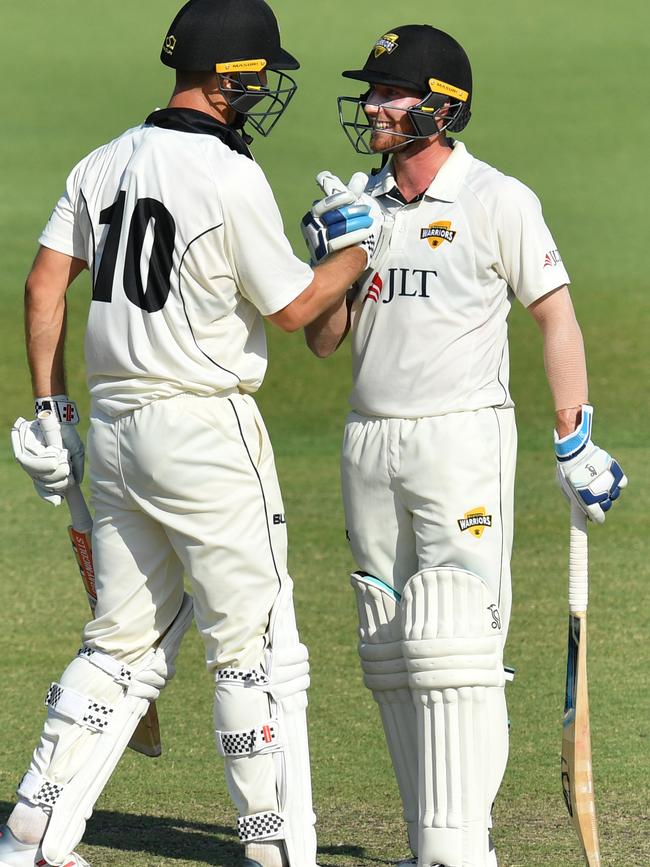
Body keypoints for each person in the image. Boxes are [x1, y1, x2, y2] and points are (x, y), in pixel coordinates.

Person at [2, 2, 387, 866]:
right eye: (260, 73)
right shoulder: (226, 174)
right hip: (207, 432)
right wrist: (358, 247)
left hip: (113, 431)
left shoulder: (102, 161)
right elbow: (294, 311)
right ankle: (275, 843)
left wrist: (51, 411)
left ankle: (33, 830)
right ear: (229, 79)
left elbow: (41, 288)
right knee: (255, 648)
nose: (267, 86)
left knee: (119, 642)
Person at [301, 24, 627, 867]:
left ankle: (462, 848)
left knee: (456, 642)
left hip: (459, 437)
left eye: (390, 92)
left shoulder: (495, 200)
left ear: (442, 109)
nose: (373, 104)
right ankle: (428, 842)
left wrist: (574, 434)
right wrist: (336, 259)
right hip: (368, 438)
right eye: (371, 91)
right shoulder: (363, 200)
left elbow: (554, 312)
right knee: (387, 640)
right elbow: (325, 342)